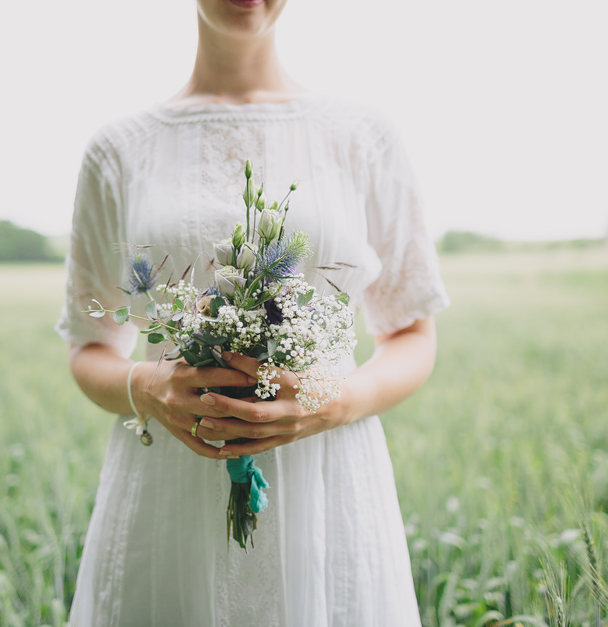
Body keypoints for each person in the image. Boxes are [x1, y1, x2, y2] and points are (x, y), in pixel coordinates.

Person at [56, 1, 449, 624]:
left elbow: (411, 331)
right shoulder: (118, 150)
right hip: (169, 481)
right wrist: (150, 386)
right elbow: (89, 345)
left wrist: (335, 401)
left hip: (327, 481)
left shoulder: (362, 135)